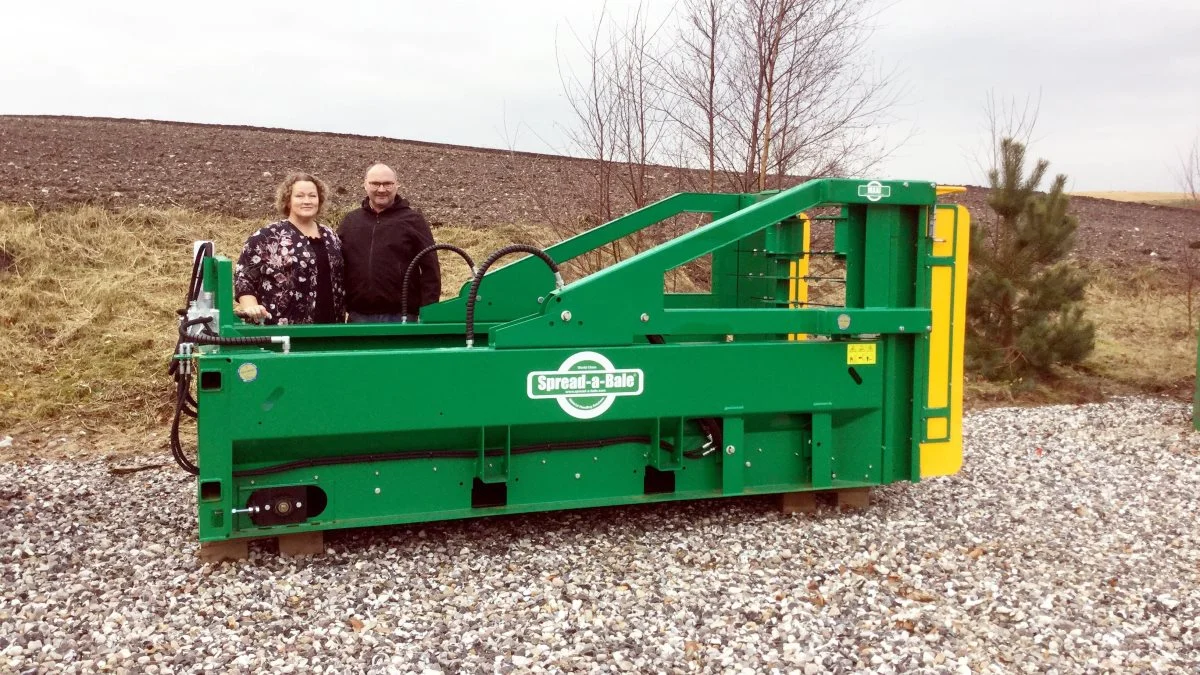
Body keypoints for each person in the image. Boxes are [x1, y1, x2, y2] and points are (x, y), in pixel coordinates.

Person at [234, 172, 345, 325]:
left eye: (312, 196)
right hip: (282, 330)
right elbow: (244, 278)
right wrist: (251, 307)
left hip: (330, 326)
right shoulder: (268, 236)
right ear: (288, 201)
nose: (307, 201)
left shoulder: (331, 236)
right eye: (299, 196)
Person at [337, 163, 441, 322]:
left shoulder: (413, 220)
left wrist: (429, 312)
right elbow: (338, 267)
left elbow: (430, 269)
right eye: (375, 183)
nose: (381, 189)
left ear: (397, 185)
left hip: (402, 316)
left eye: (387, 184)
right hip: (358, 316)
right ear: (365, 184)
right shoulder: (351, 221)